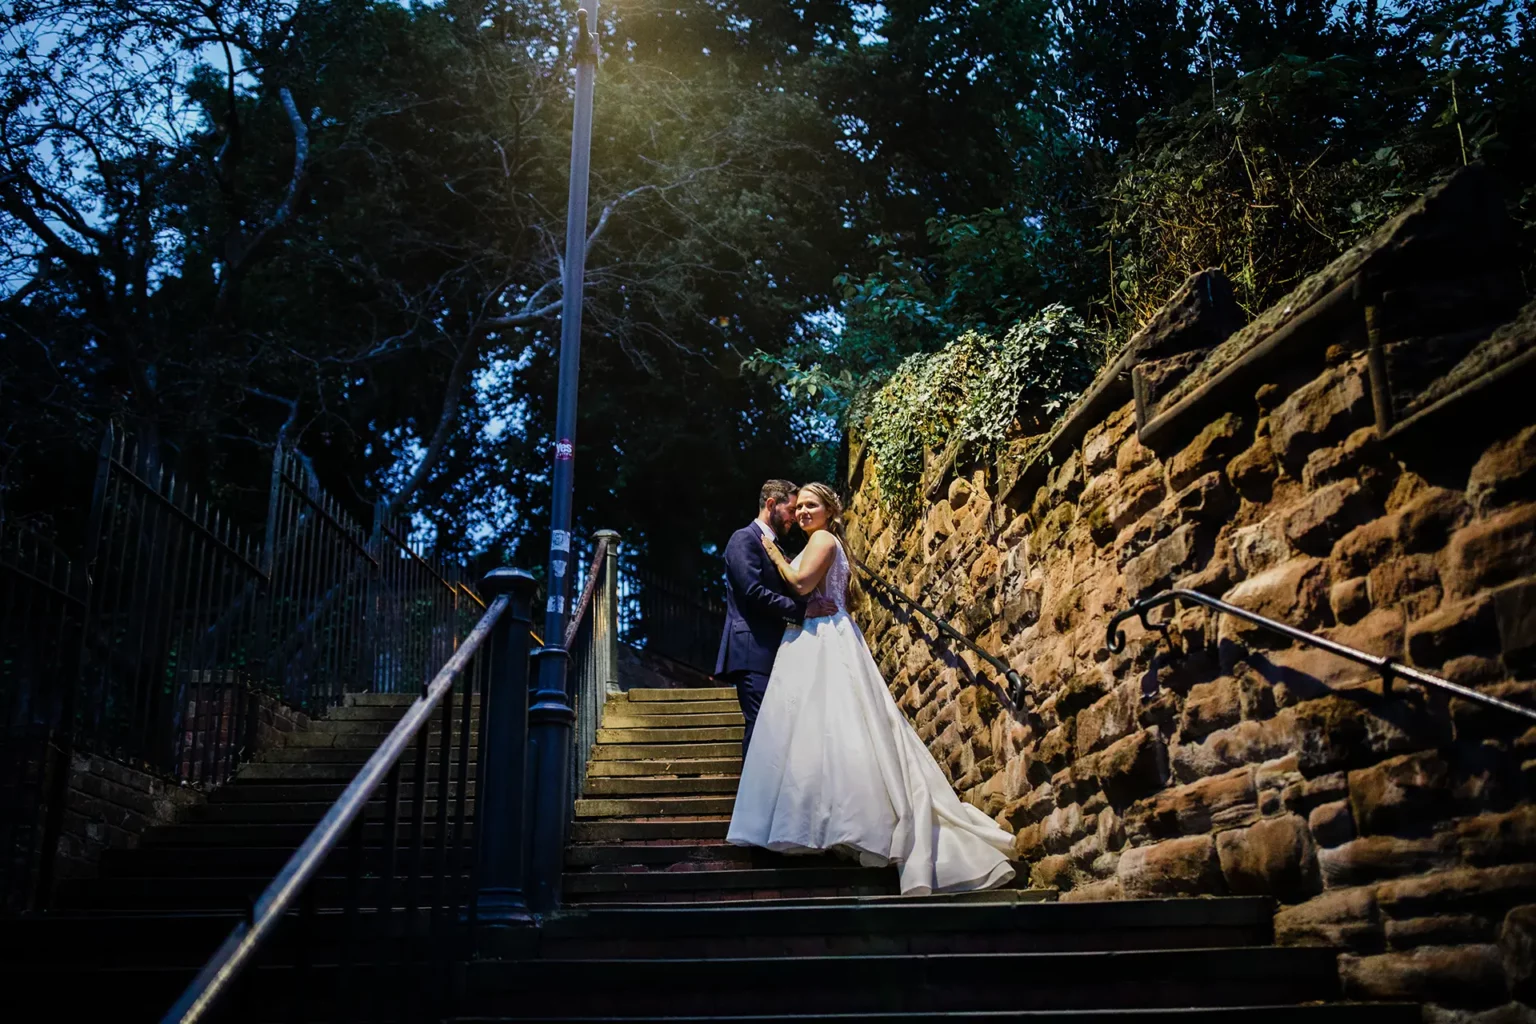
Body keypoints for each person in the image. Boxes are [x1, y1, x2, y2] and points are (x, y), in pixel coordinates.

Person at [726, 482, 1017, 896]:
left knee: (835, 725)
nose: (804, 513)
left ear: (828, 510)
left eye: (811, 505)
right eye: (800, 507)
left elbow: (802, 584)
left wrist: (774, 553)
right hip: (816, 634)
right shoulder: (824, 540)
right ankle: (822, 818)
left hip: (824, 635)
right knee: (821, 730)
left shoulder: (823, 539)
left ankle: (846, 822)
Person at [716, 479, 837, 756]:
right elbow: (752, 591)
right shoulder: (743, 539)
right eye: (791, 509)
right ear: (771, 504)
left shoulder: (776, 547)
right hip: (752, 649)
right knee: (761, 730)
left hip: (777, 650)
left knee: (779, 731)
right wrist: (803, 610)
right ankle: (751, 800)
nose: (795, 517)